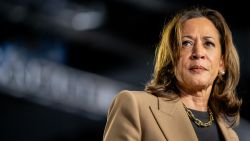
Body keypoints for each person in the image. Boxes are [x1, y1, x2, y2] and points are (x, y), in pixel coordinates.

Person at [103, 6, 242, 141]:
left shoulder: (231, 136)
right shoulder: (135, 106)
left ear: (222, 63)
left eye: (208, 43)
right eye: (186, 43)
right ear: (171, 59)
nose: (198, 53)